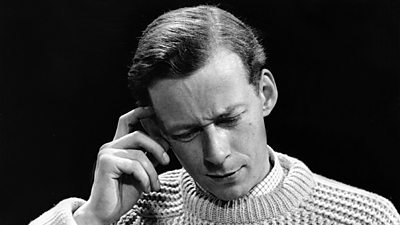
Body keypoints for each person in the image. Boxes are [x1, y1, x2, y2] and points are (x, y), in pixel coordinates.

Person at [31, 5, 399, 225]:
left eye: (228, 119)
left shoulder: (366, 217)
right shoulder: (129, 215)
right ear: (156, 129)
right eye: (187, 132)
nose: (216, 153)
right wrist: (90, 220)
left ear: (265, 94)